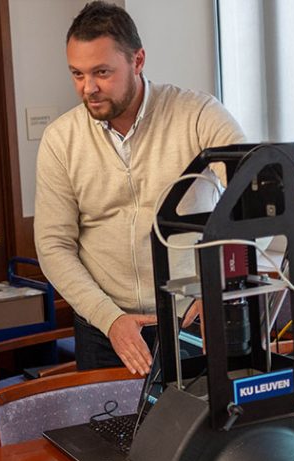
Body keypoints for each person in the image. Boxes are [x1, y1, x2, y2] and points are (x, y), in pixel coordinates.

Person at [34, 1, 246, 375]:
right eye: (77, 74)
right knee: (113, 433)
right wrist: (109, 319)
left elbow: (251, 203)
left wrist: (220, 288)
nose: (89, 88)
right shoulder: (60, 139)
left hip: (194, 318)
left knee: (204, 433)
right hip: (105, 328)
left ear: (138, 60)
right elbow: (53, 244)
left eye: (102, 72)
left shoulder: (198, 115)